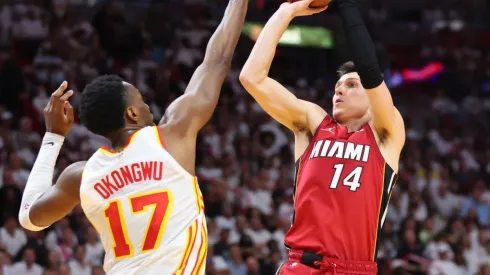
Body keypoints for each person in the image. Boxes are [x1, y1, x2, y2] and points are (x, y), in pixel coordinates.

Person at [17, 0, 248, 274]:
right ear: (132, 115)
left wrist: (53, 136)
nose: (148, 107)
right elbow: (218, 59)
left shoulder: (81, 176)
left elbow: (28, 218)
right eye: (142, 102)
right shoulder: (171, 136)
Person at [239, 0, 405, 274]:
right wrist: (286, 12)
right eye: (337, 86)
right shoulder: (313, 123)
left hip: (354, 268)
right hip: (301, 265)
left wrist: (348, 6)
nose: (339, 91)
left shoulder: (386, 134)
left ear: (372, 95)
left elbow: (370, 71)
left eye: (351, 85)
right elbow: (251, 78)